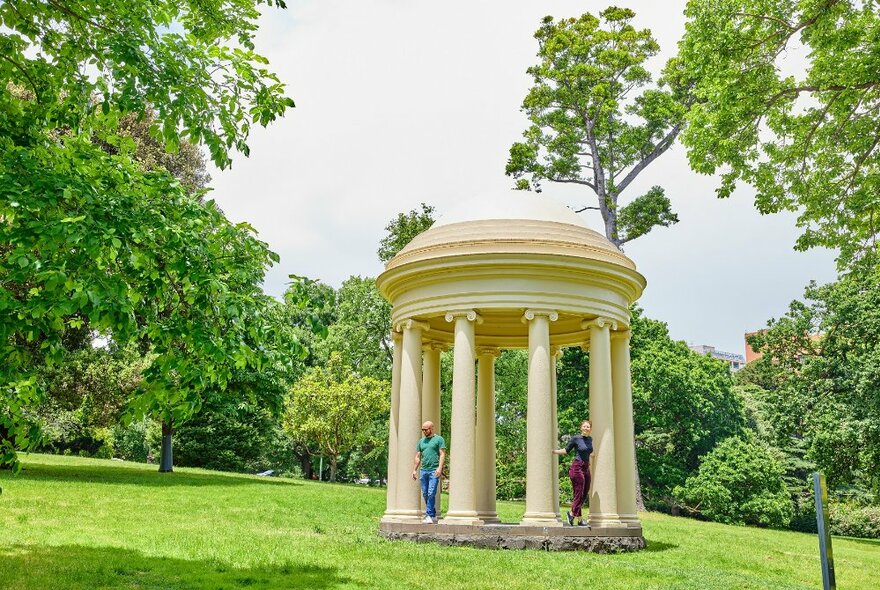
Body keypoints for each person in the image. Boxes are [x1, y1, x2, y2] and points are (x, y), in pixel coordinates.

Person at [553, 420, 593, 526]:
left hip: (586, 467)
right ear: (581, 428)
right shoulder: (576, 438)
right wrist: (554, 451)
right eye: (584, 426)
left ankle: (579, 519)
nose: (586, 428)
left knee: (584, 493)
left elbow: (589, 452)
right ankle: (571, 514)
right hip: (577, 467)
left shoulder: (590, 439)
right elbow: (566, 450)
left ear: (590, 429)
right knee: (579, 493)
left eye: (588, 427)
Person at [411, 421, 446, 524]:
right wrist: (414, 470)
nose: (424, 431)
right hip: (423, 470)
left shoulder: (439, 439)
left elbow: (442, 454)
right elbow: (418, 456)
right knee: (426, 494)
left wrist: (440, 468)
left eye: (425, 429)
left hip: (434, 470)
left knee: (431, 492)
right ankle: (433, 514)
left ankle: (428, 515)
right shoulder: (421, 442)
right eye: (422, 430)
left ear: (431, 428)